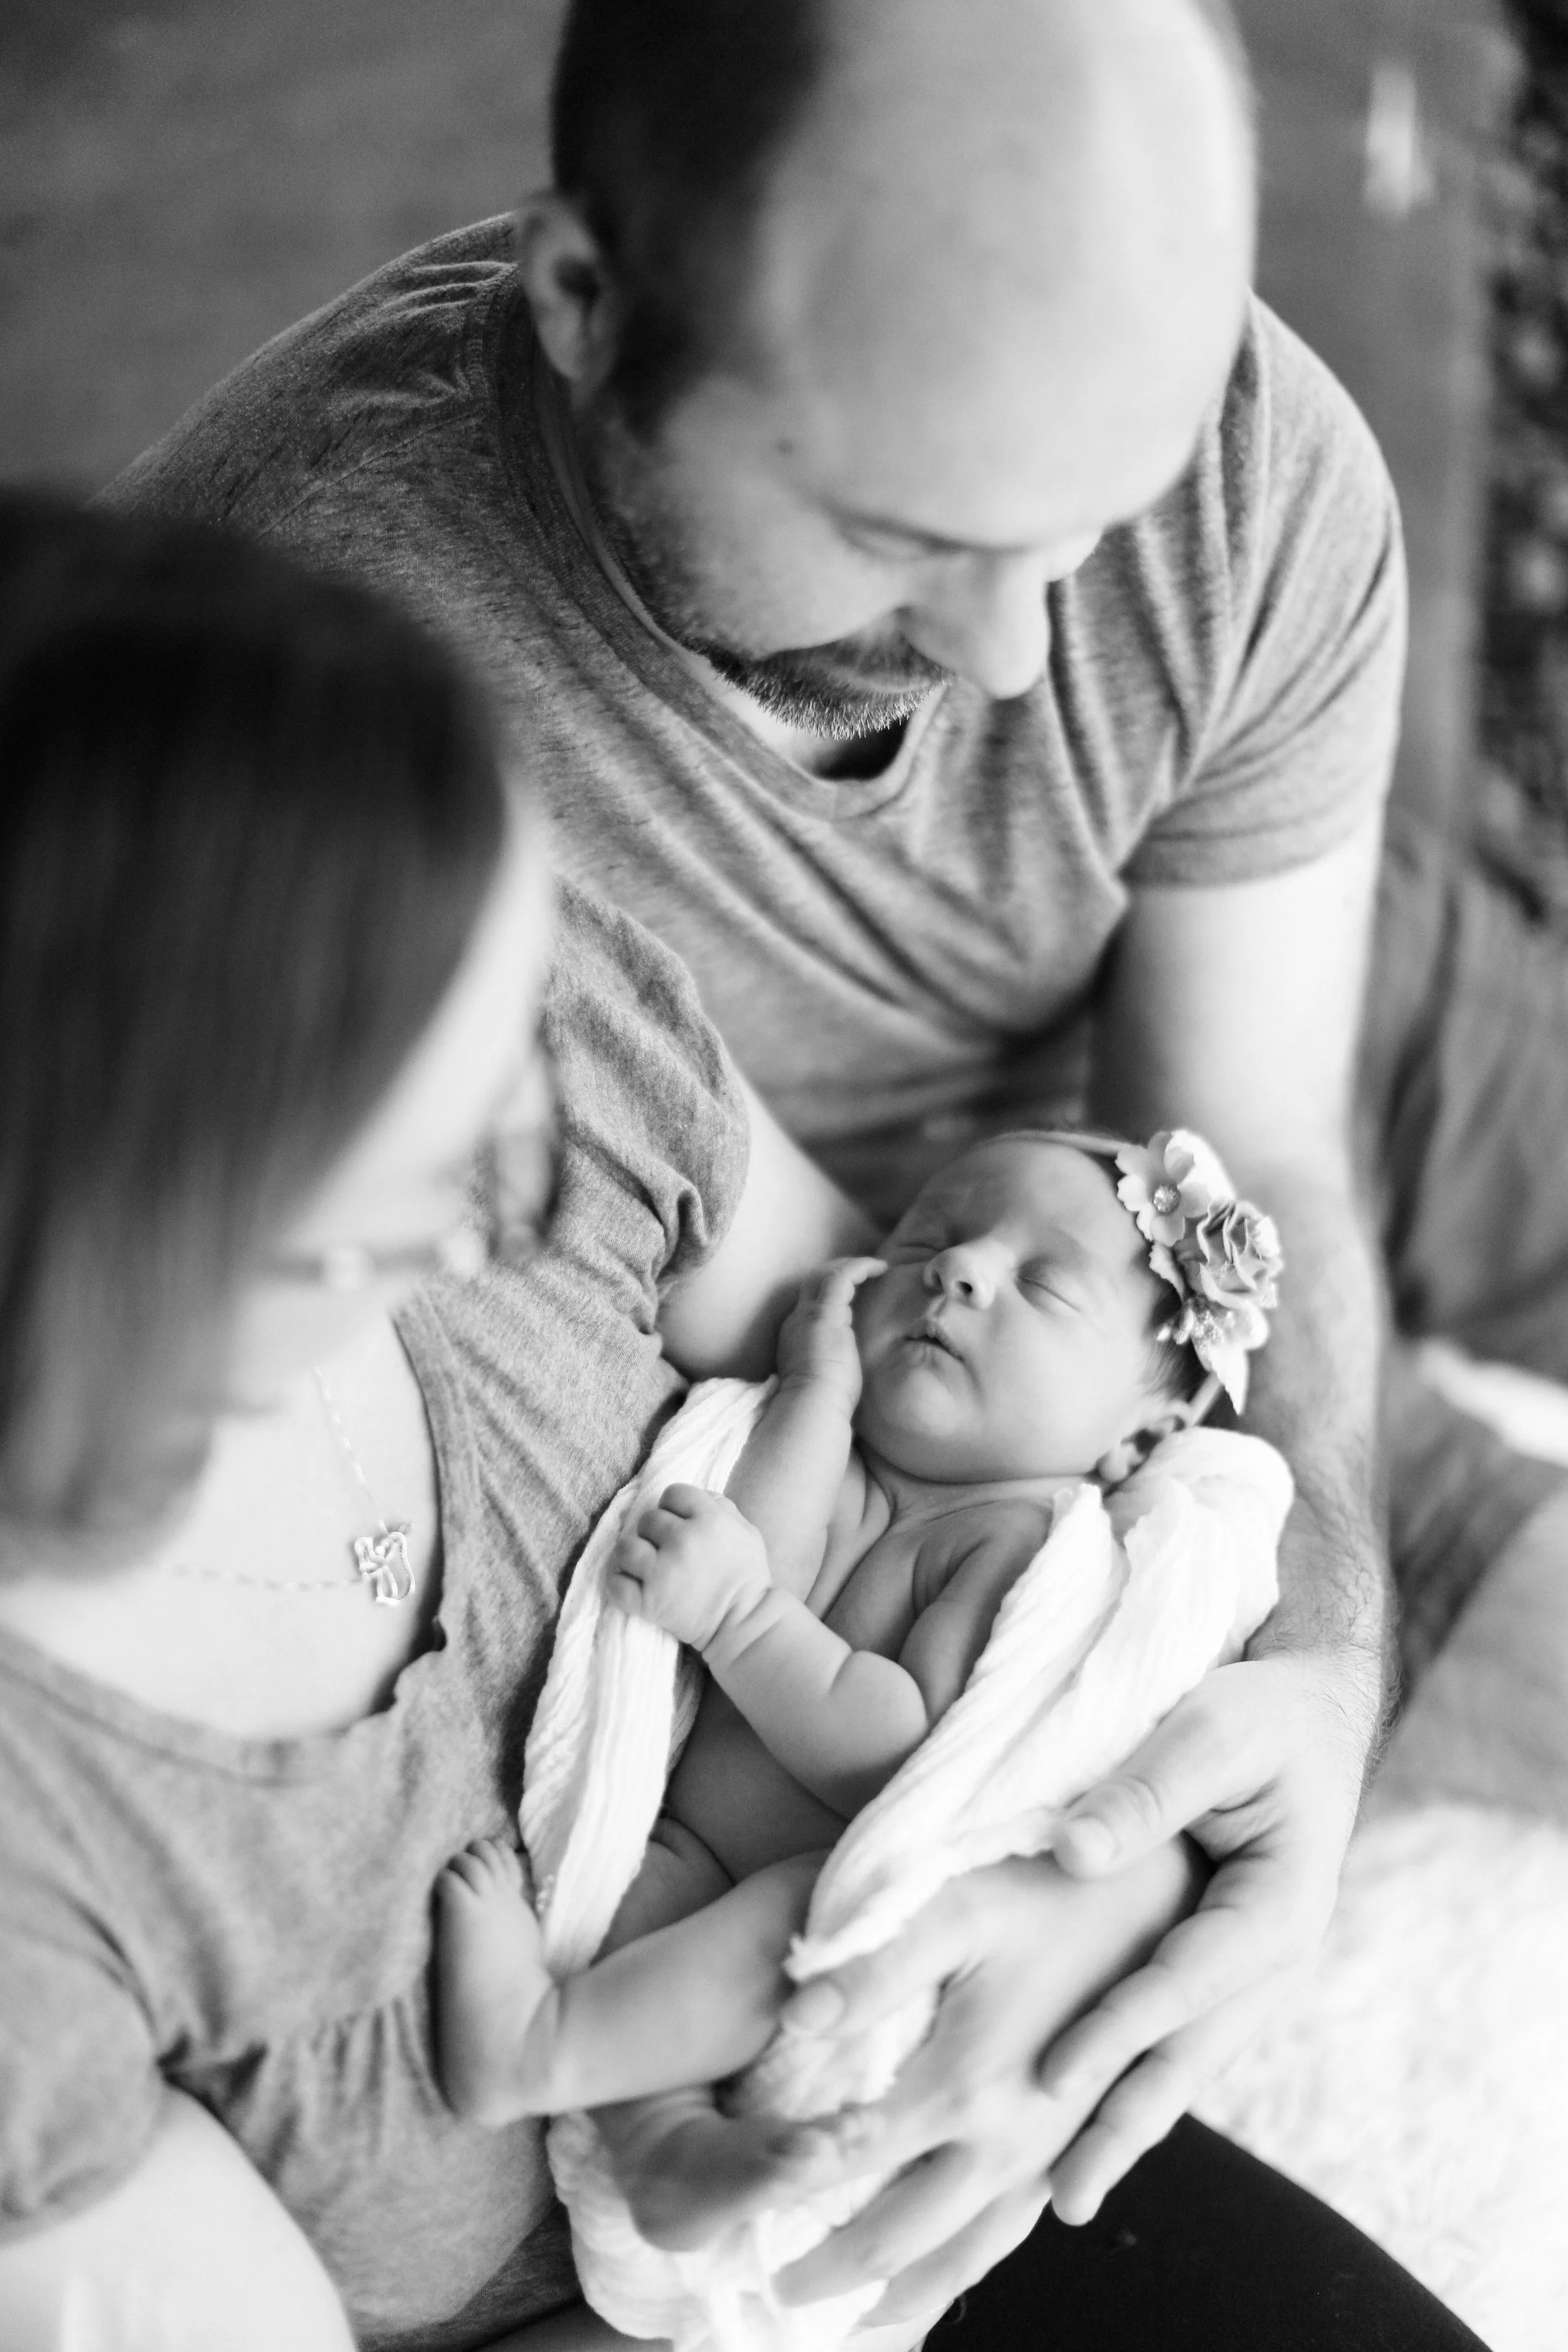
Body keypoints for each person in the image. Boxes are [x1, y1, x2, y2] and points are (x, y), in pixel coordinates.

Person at [101, 0, 1565, 2307]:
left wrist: (1303, 1676)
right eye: (909, 533)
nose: (1011, 659)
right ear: (587, 310)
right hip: (913, 1413)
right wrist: (1015, 1803)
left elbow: (1248, 1141)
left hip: (1201, 1172)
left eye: (1091, 518)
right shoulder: (329, 744)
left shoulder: (1240, 474)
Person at [0, 497, 1491, 2349]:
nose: (514, 1205)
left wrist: (1078, 1878)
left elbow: (915, 1402)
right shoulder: (43, 1854)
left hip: (910, 2116)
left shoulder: (504, 983)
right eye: (423, 1175)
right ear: (147, 1201)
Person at [434, 1127, 1284, 2146]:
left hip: (812, 1876)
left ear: (1137, 1442)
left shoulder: (1019, 1539)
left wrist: (741, 1617)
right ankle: (664, 2143)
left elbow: (890, 1745)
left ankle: (533, 2047)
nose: (960, 1270)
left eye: (1046, 1287)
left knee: (785, 1934)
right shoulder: (844, 1457)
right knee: (632, 1950)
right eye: (929, 1242)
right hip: (684, 1839)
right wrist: (818, 1392)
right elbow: (762, 1551)